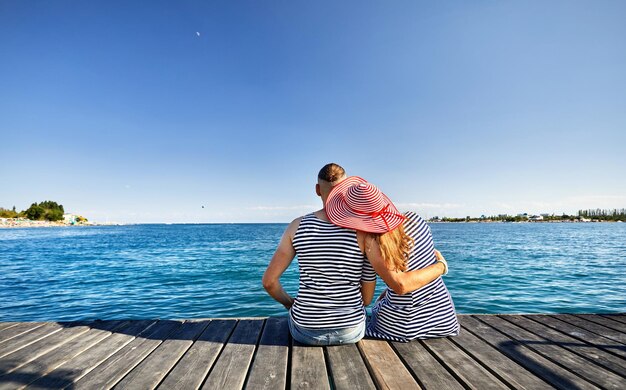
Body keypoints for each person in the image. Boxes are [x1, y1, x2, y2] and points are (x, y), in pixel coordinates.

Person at [262, 163, 447, 345]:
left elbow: (269, 282)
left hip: (305, 331)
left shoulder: (297, 226)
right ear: (346, 191)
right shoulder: (363, 232)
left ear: (318, 190)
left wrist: (290, 304)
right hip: (350, 331)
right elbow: (366, 300)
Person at [325, 176, 460, 341]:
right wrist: (439, 264)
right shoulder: (415, 219)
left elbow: (401, 285)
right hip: (444, 319)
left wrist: (441, 267)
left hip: (402, 327)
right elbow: (413, 267)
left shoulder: (371, 242)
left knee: (368, 316)